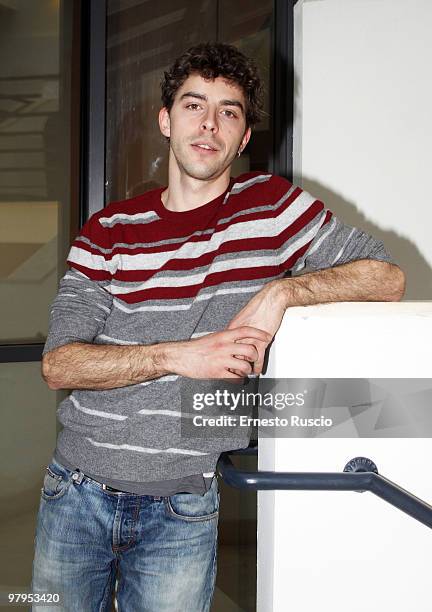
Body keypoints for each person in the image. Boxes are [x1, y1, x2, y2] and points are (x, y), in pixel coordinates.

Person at [31, 42, 405, 611]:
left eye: (229, 111)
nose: (209, 123)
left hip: (183, 507)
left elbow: (386, 277)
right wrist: (180, 355)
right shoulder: (109, 231)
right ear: (166, 119)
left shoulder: (272, 208)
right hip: (74, 494)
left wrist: (283, 291)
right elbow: (59, 366)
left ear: (245, 136)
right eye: (193, 105)